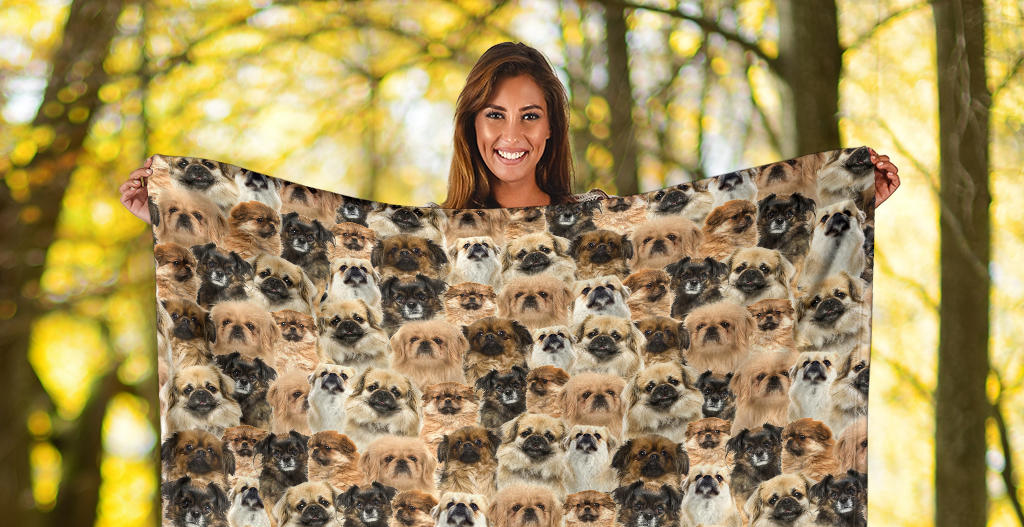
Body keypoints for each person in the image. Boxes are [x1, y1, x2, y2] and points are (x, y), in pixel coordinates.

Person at [120, 41, 899, 218]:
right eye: (494, 115)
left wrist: (840, 203)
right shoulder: (430, 241)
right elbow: (299, 244)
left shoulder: (596, 224)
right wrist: (182, 217)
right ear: (471, 127)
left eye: (530, 115)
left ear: (551, 130)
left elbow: (722, 230)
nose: (512, 133)